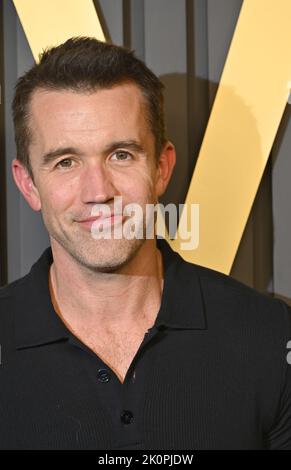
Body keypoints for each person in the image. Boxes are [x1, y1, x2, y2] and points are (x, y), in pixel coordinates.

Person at [0, 37, 290, 450]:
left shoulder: (269, 336)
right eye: (66, 162)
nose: (98, 191)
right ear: (28, 184)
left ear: (161, 168)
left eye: (121, 155)